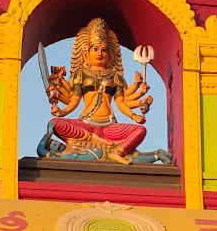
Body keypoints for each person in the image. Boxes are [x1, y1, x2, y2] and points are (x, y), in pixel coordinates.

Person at [43, 18, 152, 163]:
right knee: (55, 123)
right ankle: (95, 140)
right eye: (95, 49)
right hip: (86, 125)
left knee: (140, 131)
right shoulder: (80, 74)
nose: (100, 53)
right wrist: (62, 112)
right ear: (85, 55)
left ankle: (118, 152)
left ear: (110, 56)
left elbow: (120, 102)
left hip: (109, 127)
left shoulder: (114, 76)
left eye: (104, 50)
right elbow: (75, 100)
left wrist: (134, 116)